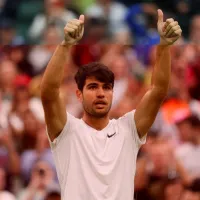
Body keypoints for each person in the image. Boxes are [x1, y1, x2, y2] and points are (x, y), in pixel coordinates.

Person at [40, 10, 182, 200]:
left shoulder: (128, 129)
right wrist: (66, 45)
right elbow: (49, 93)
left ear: (112, 93)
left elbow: (158, 91)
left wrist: (164, 46)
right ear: (79, 95)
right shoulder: (67, 130)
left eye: (106, 88)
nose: (100, 93)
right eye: (92, 87)